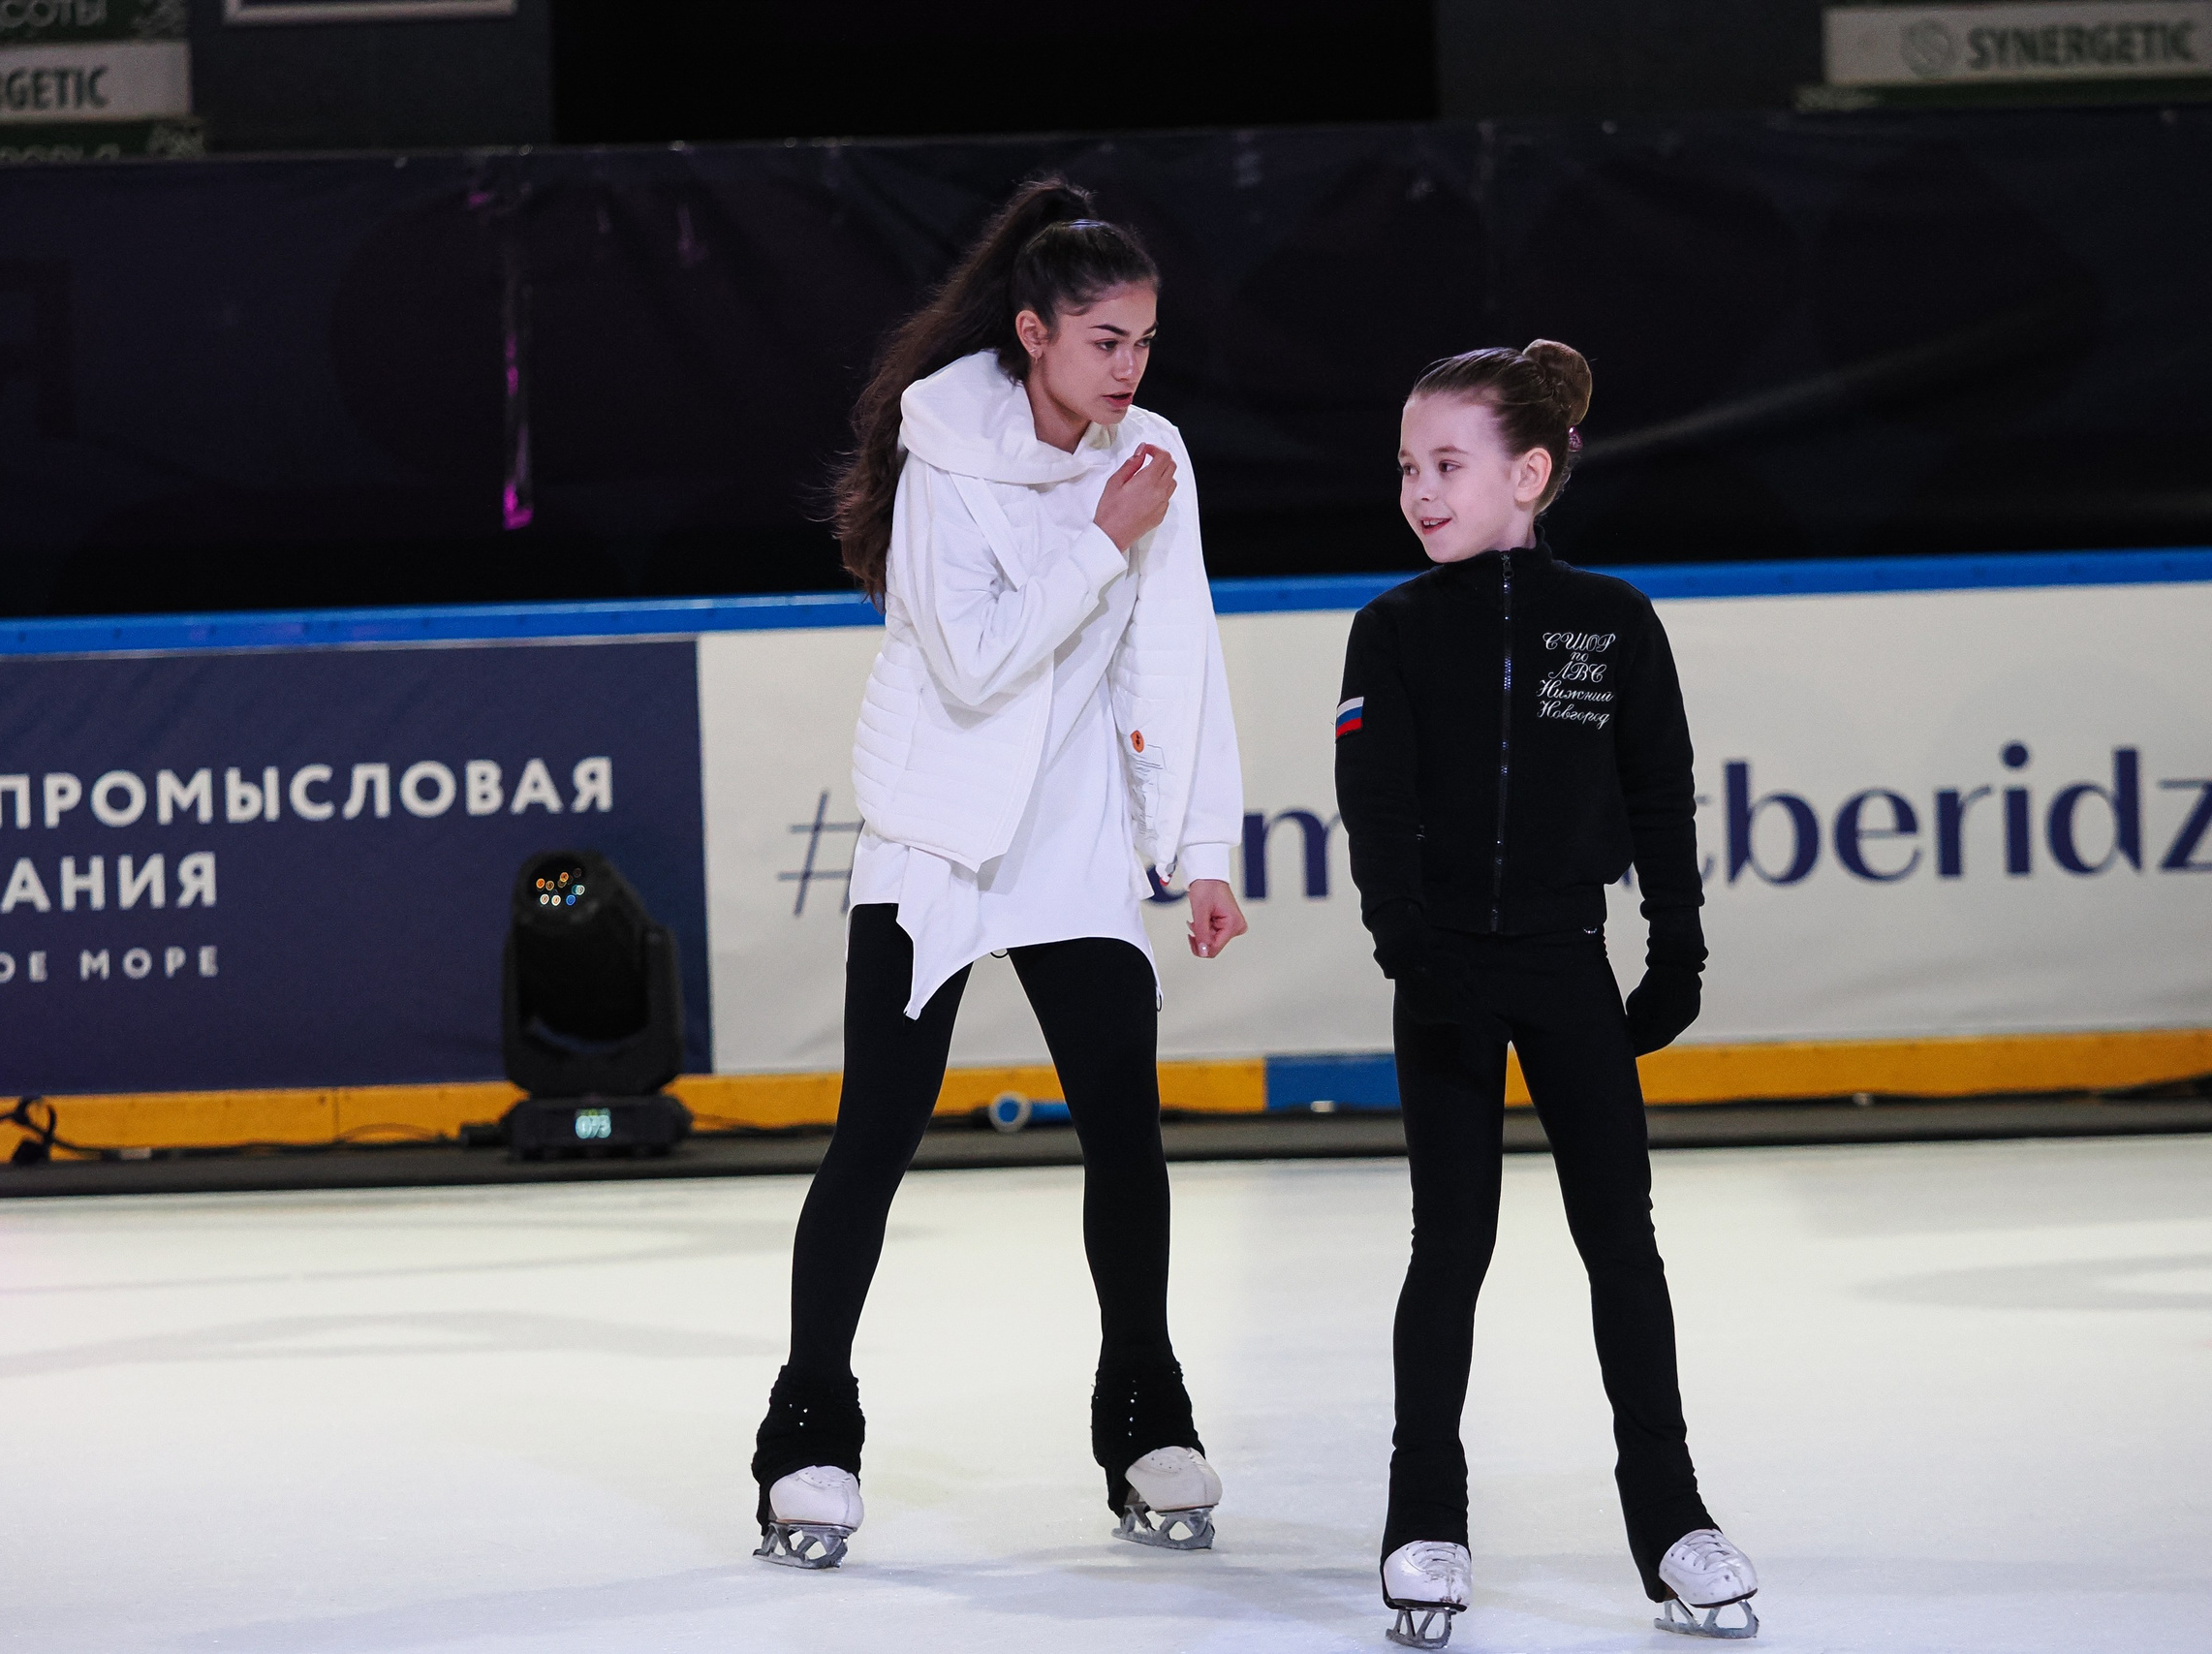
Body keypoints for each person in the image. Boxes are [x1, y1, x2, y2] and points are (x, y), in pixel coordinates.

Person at [748, 177, 1250, 1571]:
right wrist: (1100, 538)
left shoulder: (1152, 455)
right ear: (1034, 334)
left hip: (1078, 838)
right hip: (935, 840)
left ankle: (1146, 1413)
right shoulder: (944, 454)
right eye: (1106, 342)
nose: (1131, 369)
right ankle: (809, 1431)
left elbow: (1176, 657)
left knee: (1126, 1140)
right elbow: (971, 663)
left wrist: (1195, 847)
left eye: (1146, 342)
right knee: (876, 1138)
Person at [1334, 341, 1762, 1646]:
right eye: (1408, 465)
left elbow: (1659, 791)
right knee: (1449, 1248)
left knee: (1620, 1246)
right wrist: (1416, 953)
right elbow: (1378, 809)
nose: (1418, 487)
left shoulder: (1616, 623)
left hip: (1567, 966)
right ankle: (1424, 1520)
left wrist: (1676, 951)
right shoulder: (1393, 628)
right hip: (1448, 977)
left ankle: (1673, 1517)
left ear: (1530, 473)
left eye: (1446, 464)